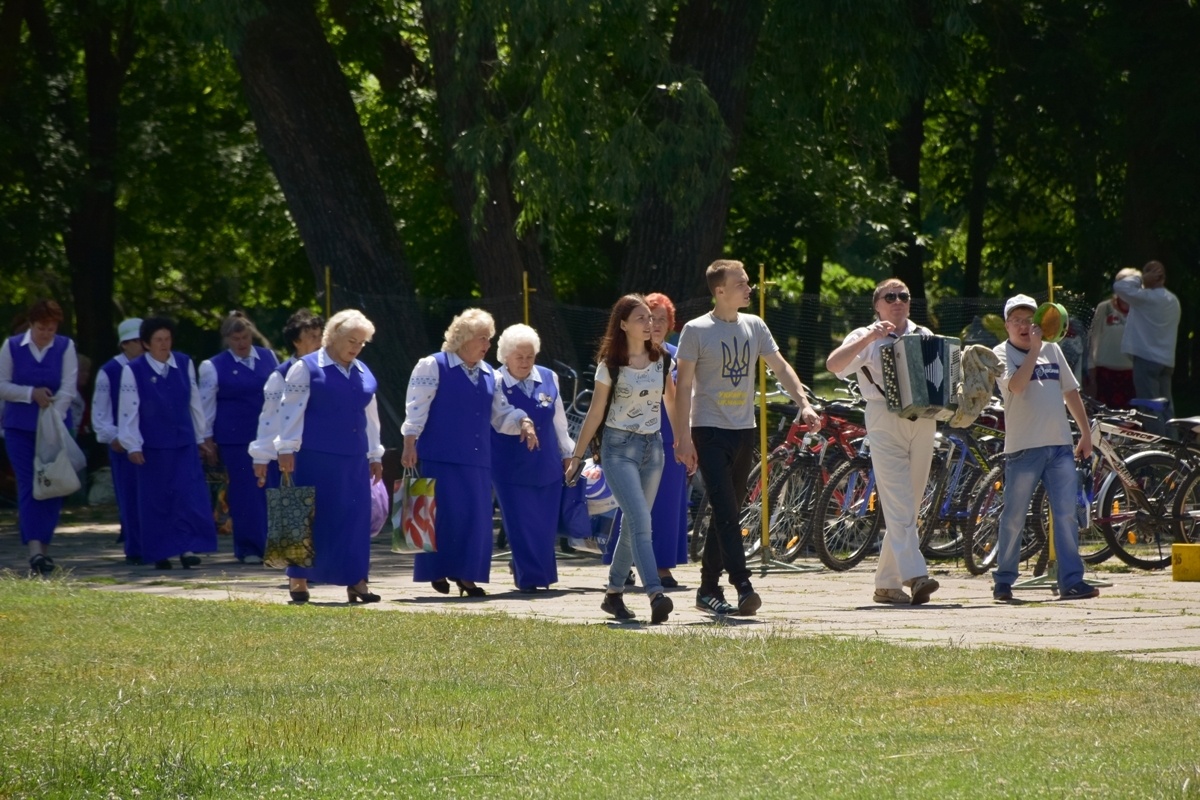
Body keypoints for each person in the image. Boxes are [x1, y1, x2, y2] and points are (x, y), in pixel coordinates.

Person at [675, 260, 821, 616]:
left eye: (747, 282)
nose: (748, 288)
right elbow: (683, 388)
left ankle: (708, 589)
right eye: (740, 283)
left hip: (744, 430)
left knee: (728, 510)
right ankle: (743, 585)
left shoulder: (755, 325)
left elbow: (780, 366)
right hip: (708, 430)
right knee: (727, 512)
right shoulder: (696, 330)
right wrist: (682, 438)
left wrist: (803, 403)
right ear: (720, 290)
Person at [401, 308, 535, 598]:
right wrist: (409, 442)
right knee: (440, 517)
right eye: (482, 338)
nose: (488, 344)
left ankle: (466, 576)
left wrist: (523, 421)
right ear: (463, 338)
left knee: (475, 519)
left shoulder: (489, 374)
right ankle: (436, 570)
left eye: (489, 338)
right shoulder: (432, 365)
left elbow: (501, 414)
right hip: (439, 455)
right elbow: (416, 407)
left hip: (477, 459)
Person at [826, 278, 942, 605]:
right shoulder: (865, 335)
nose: (897, 301)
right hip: (884, 417)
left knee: (910, 504)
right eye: (889, 296)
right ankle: (916, 575)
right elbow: (834, 365)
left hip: (924, 419)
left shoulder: (924, 334)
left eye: (903, 295)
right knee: (899, 502)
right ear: (877, 305)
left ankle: (887, 585)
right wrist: (871, 337)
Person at [569, 294, 677, 624]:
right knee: (641, 521)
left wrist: (685, 442)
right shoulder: (610, 365)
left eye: (652, 318)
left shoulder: (663, 360)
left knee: (633, 526)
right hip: (618, 451)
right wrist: (577, 455)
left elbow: (672, 404)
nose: (650, 324)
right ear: (624, 325)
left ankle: (614, 594)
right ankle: (655, 593)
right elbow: (595, 412)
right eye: (642, 318)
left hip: (653, 450)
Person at [991, 294, 1098, 602]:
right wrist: (1035, 349)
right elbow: (1016, 386)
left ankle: (1071, 581)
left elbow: (1070, 391)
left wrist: (1085, 433)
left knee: (1066, 515)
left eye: (1030, 320)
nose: (1024, 326)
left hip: (1059, 445)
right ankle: (1004, 581)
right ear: (1007, 325)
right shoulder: (1001, 353)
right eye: (1017, 321)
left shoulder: (1052, 348)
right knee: (1014, 516)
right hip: (1024, 448)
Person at [275, 310, 384, 603]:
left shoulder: (363, 371)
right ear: (334, 336)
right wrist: (285, 448)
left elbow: (371, 417)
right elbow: (290, 410)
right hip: (314, 457)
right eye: (351, 341)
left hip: (354, 457)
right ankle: (298, 578)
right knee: (308, 517)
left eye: (362, 343)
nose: (356, 347)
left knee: (354, 519)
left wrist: (375, 454)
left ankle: (356, 580)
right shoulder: (306, 367)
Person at [117, 317, 218, 570]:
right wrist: (132, 445)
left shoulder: (183, 363)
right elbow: (129, 410)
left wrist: (201, 436)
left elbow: (194, 401)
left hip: (183, 441)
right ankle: (160, 552)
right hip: (152, 445)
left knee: (186, 495)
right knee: (157, 500)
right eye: (158, 340)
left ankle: (186, 548)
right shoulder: (134, 370)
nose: (164, 344)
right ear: (146, 344)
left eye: (167, 339)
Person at [605, 292, 689, 588]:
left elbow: (683, 398)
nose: (655, 324)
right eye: (650, 317)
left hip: (668, 438)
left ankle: (661, 567)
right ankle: (624, 568)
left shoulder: (675, 356)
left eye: (662, 319)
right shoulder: (622, 355)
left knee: (667, 506)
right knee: (633, 506)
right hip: (629, 439)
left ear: (670, 323)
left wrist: (685, 438)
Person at [491, 323, 574, 593]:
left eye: (530, 356)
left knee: (544, 524)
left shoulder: (548, 377)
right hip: (510, 464)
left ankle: (538, 573)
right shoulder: (495, 381)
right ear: (505, 356)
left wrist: (567, 453)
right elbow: (498, 419)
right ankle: (529, 578)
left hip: (546, 460)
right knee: (520, 522)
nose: (525, 361)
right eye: (519, 356)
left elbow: (559, 420)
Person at [0, 299, 78, 576]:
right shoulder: (11, 346)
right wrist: (30, 393)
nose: (46, 334)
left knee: (53, 484)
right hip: (19, 428)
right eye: (41, 328)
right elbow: (2, 385)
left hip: (54, 427)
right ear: (31, 324)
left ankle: (43, 547)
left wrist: (53, 416)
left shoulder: (65, 347)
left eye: (51, 329)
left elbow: (68, 387)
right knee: (29, 484)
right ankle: (35, 550)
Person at [199, 312, 280, 564]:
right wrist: (206, 437)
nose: (241, 343)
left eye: (245, 337)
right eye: (235, 339)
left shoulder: (268, 357)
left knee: (271, 489)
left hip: (269, 435)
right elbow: (206, 405)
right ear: (227, 339)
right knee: (245, 492)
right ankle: (249, 547)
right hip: (235, 438)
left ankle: (274, 544)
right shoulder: (213, 366)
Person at [249, 309, 324, 487]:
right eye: (312, 336)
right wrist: (261, 457)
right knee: (301, 502)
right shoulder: (280, 376)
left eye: (321, 335)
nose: (319, 341)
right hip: (296, 456)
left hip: (325, 451)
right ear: (296, 341)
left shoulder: (329, 371)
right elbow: (270, 418)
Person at [92, 317, 146, 563]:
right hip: (122, 445)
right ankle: (135, 548)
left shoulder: (152, 365)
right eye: (135, 341)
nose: (141, 345)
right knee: (129, 496)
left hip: (150, 442)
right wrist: (114, 436)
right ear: (124, 344)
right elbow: (100, 414)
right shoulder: (109, 371)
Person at [1114, 261, 1181, 435]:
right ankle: (1173, 444)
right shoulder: (1173, 300)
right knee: (1166, 408)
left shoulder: (1145, 298)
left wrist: (1141, 278)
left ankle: (1158, 446)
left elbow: (1119, 286)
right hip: (1167, 361)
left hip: (1146, 359)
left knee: (1150, 408)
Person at [1084, 268, 1138, 409]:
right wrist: (1091, 370)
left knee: (1132, 419)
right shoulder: (1104, 308)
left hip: (1133, 376)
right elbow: (1092, 339)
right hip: (1105, 375)